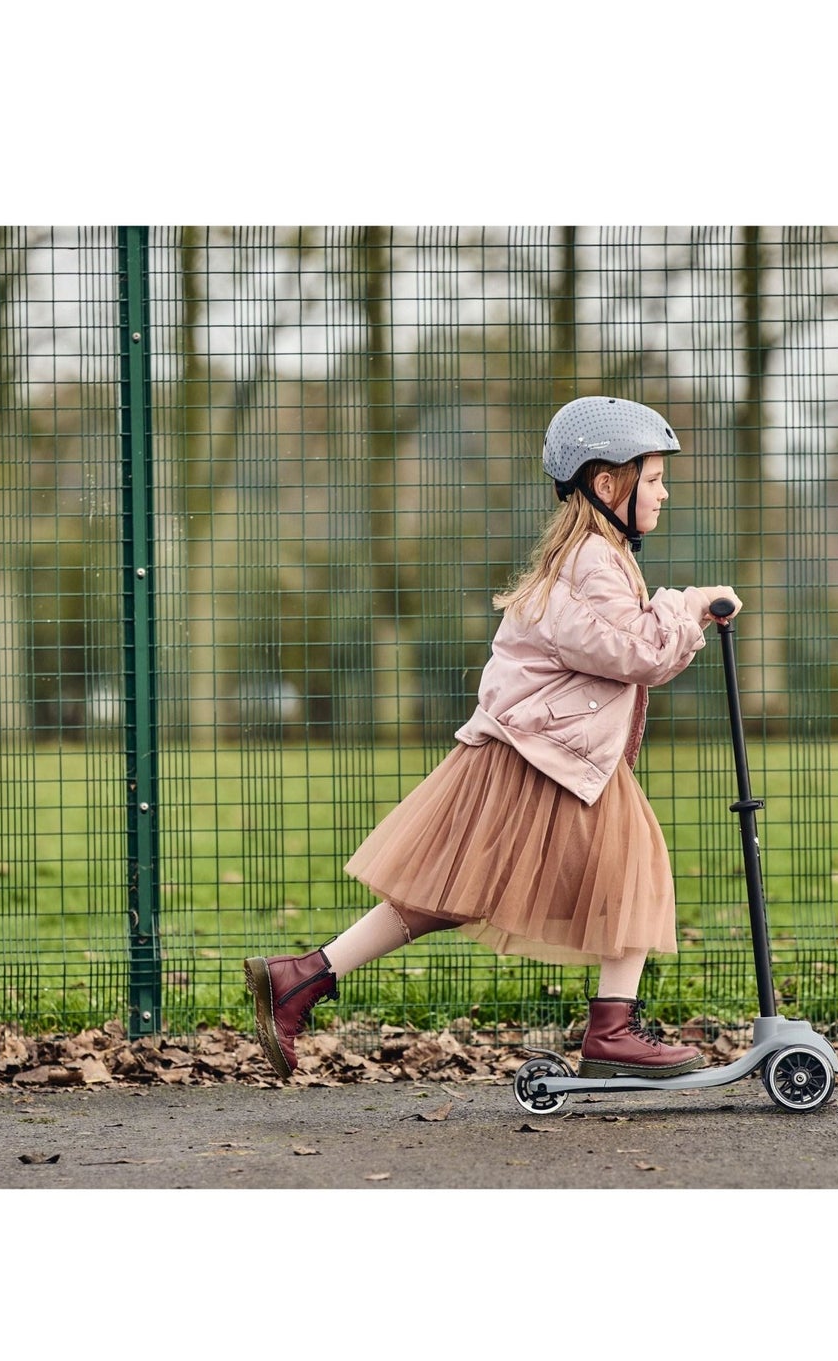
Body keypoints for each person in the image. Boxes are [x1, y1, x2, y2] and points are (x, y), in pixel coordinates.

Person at [244, 396, 741, 1082]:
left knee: (453, 886)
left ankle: (299, 976)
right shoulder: (591, 563)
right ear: (607, 485)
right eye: (652, 479)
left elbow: (633, 654)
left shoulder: (597, 556)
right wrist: (682, 604)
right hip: (541, 753)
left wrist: (678, 615)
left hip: (533, 748)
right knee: (635, 866)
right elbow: (639, 655)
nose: (663, 490)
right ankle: (613, 1031)